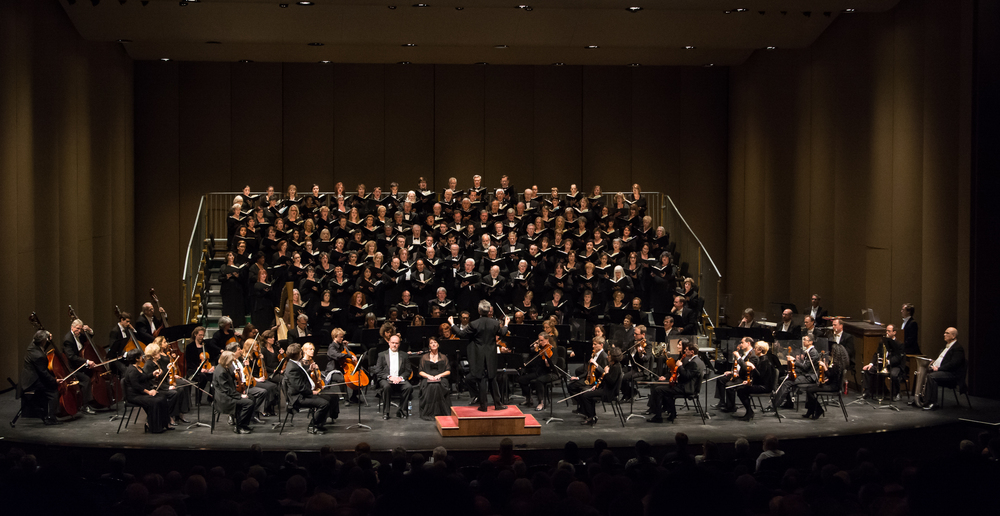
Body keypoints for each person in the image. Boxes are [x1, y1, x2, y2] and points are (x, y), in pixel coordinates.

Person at [449, 300, 510, 412]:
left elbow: (462, 334)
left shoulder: (474, 323)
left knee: (481, 378)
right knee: (492, 378)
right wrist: (506, 323)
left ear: (479, 311)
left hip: (478, 355)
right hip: (491, 354)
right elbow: (503, 333)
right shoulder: (495, 323)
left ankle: (483, 406)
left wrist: (452, 324)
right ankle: (498, 404)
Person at [647, 340, 704, 423]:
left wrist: (680, 366)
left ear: (692, 352)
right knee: (665, 391)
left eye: (687, 350)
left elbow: (686, 376)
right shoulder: (699, 361)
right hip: (687, 386)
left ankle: (658, 416)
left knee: (658, 390)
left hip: (686, 388)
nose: (685, 350)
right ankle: (672, 413)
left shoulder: (693, 363)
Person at [283, 343, 333, 434]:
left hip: (302, 393)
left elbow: (300, 377)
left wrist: (309, 370)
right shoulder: (292, 368)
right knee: (324, 404)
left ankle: (319, 424)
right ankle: (312, 426)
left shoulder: (295, 363)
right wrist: (311, 392)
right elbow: (299, 387)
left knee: (328, 398)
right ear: (298, 354)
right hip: (298, 397)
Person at [123, 348, 176, 433]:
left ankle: (165, 424)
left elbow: (143, 377)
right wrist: (149, 392)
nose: (142, 357)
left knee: (162, 398)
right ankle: (153, 427)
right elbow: (135, 386)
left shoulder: (137, 367)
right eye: (140, 356)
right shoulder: (131, 370)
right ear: (137, 358)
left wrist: (153, 374)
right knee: (155, 401)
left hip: (140, 393)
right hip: (134, 396)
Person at [20, 330, 61, 425]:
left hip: (29, 376)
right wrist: (54, 381)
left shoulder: (32, 344)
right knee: (53, 390)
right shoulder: (39, 356)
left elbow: (42, 348)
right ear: (43, 341)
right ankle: (51, 417)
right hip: (32, 381)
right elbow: (44, 374)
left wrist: (47, 339)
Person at [922, 327, 966, 410]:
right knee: (920, 372)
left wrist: (939, 369)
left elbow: (953, 364)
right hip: (944, 371)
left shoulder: (957, 348)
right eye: (945, 333)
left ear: (953, 336)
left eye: (947, 333)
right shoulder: (946, 347)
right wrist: (934, 362)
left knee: (932, 377)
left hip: (952, 374)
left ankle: (932, 403)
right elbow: (944, 360)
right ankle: (920, 399)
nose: (944, 334)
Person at [576, 347, 623, 426]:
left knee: (585, 395)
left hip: (609, 393)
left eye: (609, 355)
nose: (607, 357)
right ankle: (592, 416)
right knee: (587, 392)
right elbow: (606, 381)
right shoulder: (613, 365)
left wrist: (606, 372)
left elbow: (611, 382)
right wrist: (597, 386)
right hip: (606, 389)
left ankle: (591, 417)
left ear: (613, 357)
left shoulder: (616, 367)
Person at [772, 335, 820, 413]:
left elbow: (806, 367)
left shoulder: (813, 352)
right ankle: (789, 403)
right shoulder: (807, 351)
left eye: (805, 340)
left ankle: (775, 405)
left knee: (787, 383)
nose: (803, 341)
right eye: (803, 339)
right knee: (782, 379)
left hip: (809, 377)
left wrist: (794, 360)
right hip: (804, 374)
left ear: (811, 342)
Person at [141, 340, 184, 426]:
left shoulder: (157, 362)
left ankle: (176, 414)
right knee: (173, 393)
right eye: (157, 353)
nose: (159, 354)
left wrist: (168, 369)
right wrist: (167, 387)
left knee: (180, 390)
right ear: (153, 355)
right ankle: (169, 416)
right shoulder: (148, 365)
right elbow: (151, 381)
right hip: (156, 388)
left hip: (162, 386)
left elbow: (161, 377)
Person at [213, 350, 255, 434]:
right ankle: (239, 427)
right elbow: (226, 390)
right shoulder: (221, 372)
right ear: (227, 360)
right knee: (248, 403)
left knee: (251, 397)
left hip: (229, 394)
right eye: (231, 360)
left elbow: (232, 378)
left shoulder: (224, 367)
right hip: (225, 399)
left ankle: (244, 424)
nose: (232, 362)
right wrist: (240, 396)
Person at [801, 341, 845, 419]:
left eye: (832, 351)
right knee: (809, 388)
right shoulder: (838, 363)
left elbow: (831, 375)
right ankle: (810, 410)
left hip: (833, 387)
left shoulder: (837, 364)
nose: (831, 352)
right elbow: (833, 377)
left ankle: (818, 410)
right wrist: (826, 380)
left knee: (809, 390)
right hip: (831, 384)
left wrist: (824, 367)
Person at [62, 319, 98, 414]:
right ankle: (85, 406)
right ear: (72, 327)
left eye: (80, 329)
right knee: (86, 380)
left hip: (80, 364)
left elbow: (89, 337)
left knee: (92, 372)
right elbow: (71, 357)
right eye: (77, 329)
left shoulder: (79, 335)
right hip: (72, 368)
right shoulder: (68, 340)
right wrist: (87, 361)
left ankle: (94, 400)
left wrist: (89, 330)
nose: (79, 331)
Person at [374, 334, 414, 419]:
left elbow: (408, 370)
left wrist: (400, 378)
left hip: (400, 379)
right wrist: (389, 377)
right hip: (386, 379)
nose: (394, 345)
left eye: (396, 343)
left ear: (399, 344)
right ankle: (386, 412)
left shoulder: (404, 355)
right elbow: (378, 370)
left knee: (408, 387)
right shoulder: (382, 355)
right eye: (392, 343)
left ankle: (402, 410)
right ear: (389, 343)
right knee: (386, 387)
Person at [735, 341, 775, 421]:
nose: (754, 349)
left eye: (755, 348)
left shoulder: (765, 361)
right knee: (741, 388)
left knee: (741, 390)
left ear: (760, 350)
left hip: (765, 387)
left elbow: (760, 376)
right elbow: (757, 376)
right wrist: (749, 382)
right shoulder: (761, 359)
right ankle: (749, 412)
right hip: (760, 384)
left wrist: (753, 367)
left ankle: (749, 412)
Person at [862, 324, 904, 400]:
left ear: (894, 332)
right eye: (886, 331)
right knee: (869, 370)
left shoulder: (899, 344)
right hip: (883, 365)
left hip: (895, 365)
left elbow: (898, 358)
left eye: (889, 331)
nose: (886, 332)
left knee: (894, 375)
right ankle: (868, 391)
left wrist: (888, 361)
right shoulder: (882, 342)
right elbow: (877, 354)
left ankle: (897, 393)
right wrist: (871, 363)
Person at [714, 337, 754, 413]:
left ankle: (731, 406)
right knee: (721, 379)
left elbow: (746, 369)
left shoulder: (752, 355)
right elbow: (738, 366)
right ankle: (722, 401)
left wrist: (738, 357)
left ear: (748, 343)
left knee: (729, 385)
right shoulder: (743, 353)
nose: (740, 344)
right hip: (737, 374)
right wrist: (732, 371)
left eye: (742, 342)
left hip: (745, 377)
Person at [518, 332, 556, 411]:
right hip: (538, 372)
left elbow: (553, 364)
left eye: (542, 340)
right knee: (521, 379)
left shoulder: (552, 349)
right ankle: (528, 398)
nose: (540, 342)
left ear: (547, 339)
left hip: (548, 373)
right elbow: (533, 361)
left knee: (539, 381)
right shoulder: (540, 350)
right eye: (539, 340)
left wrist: (548, 363)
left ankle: (541, 402)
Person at [418, 337, 452, 420]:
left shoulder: (443, 357)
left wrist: (439, 375)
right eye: (431, 343)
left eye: (435, 342)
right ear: (429, 345)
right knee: (431, 386)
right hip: (427, 378)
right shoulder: (424, 357)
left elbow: (448, 371)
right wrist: (428, 376)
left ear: (438, 344)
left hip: (441, 378)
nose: (433, 344)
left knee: (437, 385)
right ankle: (430, 411)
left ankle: (440, 411)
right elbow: (420, 371)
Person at [184, 326, 214, 406]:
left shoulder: (206, 345)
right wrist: (199, 368)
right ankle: (198, 399)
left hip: (206, 369)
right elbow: (189, 362)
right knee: (202, 377)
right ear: (195, 335)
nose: (202, 337)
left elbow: (211, 358)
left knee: (214, 377)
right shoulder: (190, 347)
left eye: (203, 335)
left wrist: (212, 367)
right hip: (193, 370)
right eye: (200, 335)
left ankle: (210, 399)